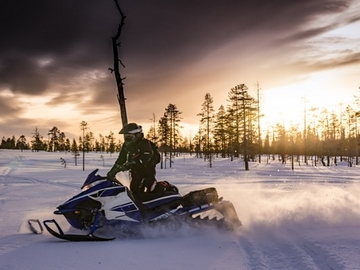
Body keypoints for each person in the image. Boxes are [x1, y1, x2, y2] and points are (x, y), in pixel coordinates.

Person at [107, 123, 160, 200]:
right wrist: (112, 172)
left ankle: (159, 207)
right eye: (126, 135)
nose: (127, 137)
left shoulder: (144, 143)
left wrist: (131, 164)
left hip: (147, 171)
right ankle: (140, 209)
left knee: (149, 190)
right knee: (134, 192)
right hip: (135, 172)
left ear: (136, 135)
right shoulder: (126, 146)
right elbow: (121, 159)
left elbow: (146, 157)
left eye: (129, 135)